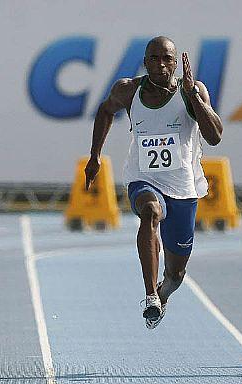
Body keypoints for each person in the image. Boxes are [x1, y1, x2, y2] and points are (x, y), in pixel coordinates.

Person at [85, 36, 223, 329]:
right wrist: (95, 156)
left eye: (167, 59)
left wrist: (192, 96)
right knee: (150, 211)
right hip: (143, 177)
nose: (160, 65)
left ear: (175, 63)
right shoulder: (128, 90)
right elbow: (106, 110)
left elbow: (214, 136)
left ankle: (162, 292)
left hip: (183, 186)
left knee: (176, 275)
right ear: (145, 62)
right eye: (153, 59)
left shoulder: (192, 90)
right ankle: (150, 295)